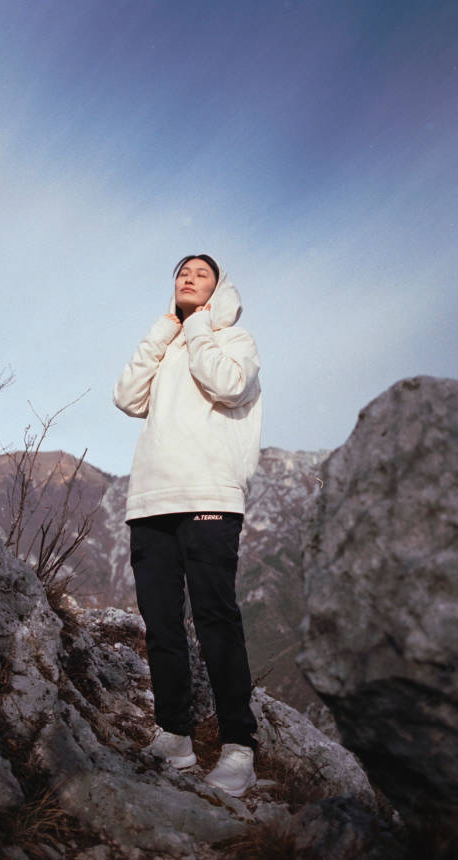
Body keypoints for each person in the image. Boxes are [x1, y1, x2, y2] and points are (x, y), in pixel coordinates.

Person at [113, 254, 261, 797]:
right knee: (162, 625)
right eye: (181, 272)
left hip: (209, 496)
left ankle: (238, 747)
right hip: (150, 499)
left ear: (220, 287)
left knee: (216, 619)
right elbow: (127, 397)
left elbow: (227, 384)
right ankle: (174, 735)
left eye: (201, 273)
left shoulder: (234, 341)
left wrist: (197, 323)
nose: (188, 277)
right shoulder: (170, 342)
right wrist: (165, 329)